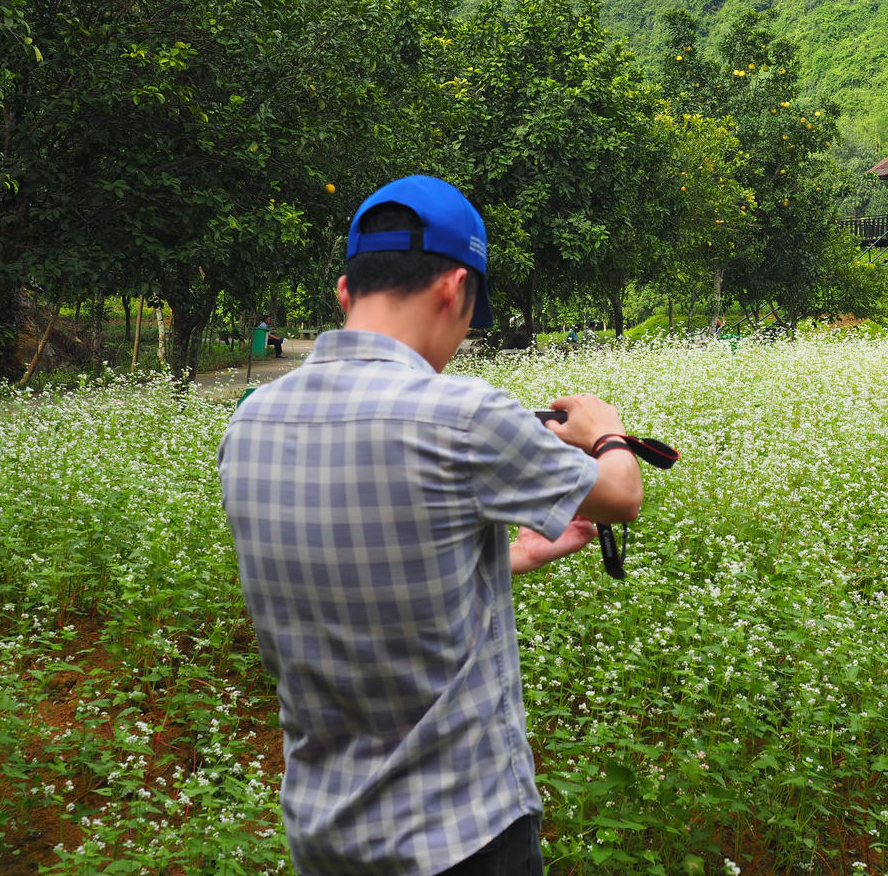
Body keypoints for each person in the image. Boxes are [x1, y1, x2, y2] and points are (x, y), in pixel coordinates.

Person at [218, 175, 643, 876]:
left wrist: (510, 561)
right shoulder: (462, 414)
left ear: (345, 293)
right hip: (462, 838)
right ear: (453, 290)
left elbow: (351, 581)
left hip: (324, 838)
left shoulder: (249, 423)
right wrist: (606, 432)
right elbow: (620, 497)